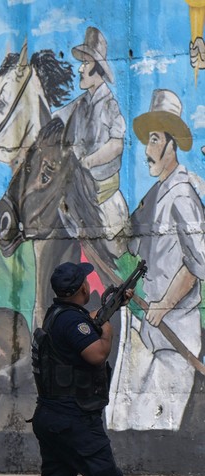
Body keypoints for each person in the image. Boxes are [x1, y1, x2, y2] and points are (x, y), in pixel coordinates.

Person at [0, 262, 155, 476]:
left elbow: (87, 324)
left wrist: (112, 306)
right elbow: (96, 353)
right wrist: (108, 329)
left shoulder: (59, 316)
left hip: (53, 416)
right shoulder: (72, 324)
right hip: (74, 418)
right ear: (81, 289)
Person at [111, 89, 205, 431]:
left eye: (154, 140)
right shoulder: (152, 196)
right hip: (144, 332)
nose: (148, 151)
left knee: (152, 425)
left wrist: (164, 304)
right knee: (120, 420)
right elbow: (128, 247)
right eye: (147, 141)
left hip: (175, 334)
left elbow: (198, 264)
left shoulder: (183, 195)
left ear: (171, 144)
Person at [54, 26, 128, 260]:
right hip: (80, 198)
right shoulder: (80, 105)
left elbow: (117, 144)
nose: (81, 68)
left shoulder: (109, 105)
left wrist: (86, 163)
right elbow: (55, 119)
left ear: (97, 67)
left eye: (85, 63)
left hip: (104, 201)